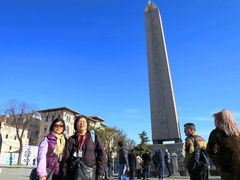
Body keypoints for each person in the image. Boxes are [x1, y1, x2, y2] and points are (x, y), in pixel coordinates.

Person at [61, 115, 107, 180]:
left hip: (90, 172)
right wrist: (64, 174)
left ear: (87, 124)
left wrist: (101, 170)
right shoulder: (71, 139)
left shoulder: (93, 136)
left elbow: (101, 153)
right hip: (74, 173)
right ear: (76, 124)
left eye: (84, 122)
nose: (82, 123)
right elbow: (66, 158)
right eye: (79, 121)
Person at [207, 110, 240, 180]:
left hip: (227, 170)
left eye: (215, 119)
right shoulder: (238, 133)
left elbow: (210, 151)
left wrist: (219, 165)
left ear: (219, 120)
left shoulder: (216, 133)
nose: (214, 122)